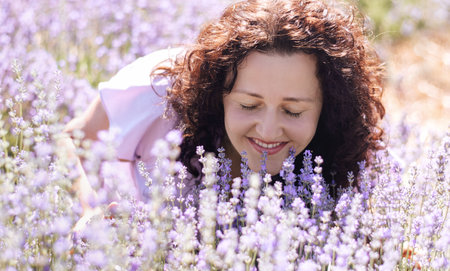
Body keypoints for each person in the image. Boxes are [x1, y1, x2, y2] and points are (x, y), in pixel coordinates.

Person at [64, 0, 385, 215]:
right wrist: (89, 208)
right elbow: (71, 138)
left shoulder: (344, 151)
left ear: (327, 107)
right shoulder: (159, 91)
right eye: (249, 105)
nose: (269, 131)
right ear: (218, 93)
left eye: (293, 111)